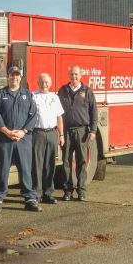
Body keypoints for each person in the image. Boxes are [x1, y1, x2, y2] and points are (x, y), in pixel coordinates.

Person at [0, 66, 41, 214]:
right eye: (12, 75)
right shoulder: (0, 94)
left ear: (21, 77)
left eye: (17, 75)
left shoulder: (27, 94)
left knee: (25, 169)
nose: (15, 78)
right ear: (7, 77)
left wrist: (23, 132)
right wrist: (6, 131)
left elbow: (34, 115)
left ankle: (30, 199)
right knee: (2, 169)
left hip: (23, 139)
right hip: (4, 138)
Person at [58, 65, 98, 202]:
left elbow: (94, 112)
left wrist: (93, 130)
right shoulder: (63, 91)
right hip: (67, 130)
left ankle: (81, 191)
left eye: (76, 74)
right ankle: (67, 191)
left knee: (81, 161)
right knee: (66, 162)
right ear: (68, 75)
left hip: (82, 131)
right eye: (72, 74)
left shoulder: (87, 91)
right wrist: (59, 132)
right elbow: (58, 113)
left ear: (81, 75)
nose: (74, 77)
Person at [31, 72, 64, 204]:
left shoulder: (54, 97)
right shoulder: (33, 96)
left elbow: (59, 117)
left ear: (50, 83)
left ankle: (48, 194)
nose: (44, 84)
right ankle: (36, 194)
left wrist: (61, 135)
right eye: (41, 82)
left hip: (51, 133)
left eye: (46, 82)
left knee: (50, 165)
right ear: (37, 83)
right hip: (37, 133)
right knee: (37, 165)